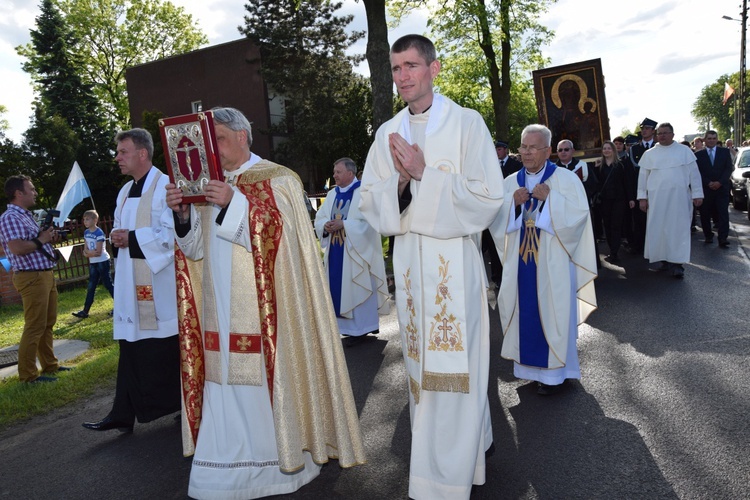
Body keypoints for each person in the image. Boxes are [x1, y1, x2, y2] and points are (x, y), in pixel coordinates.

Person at [165, 107, 365, 499]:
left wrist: (233, 204)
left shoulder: (279, 178)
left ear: (242, 136)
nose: (213, 149)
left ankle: (280, 464)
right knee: (221, 383)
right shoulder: (206, 185)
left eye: (219, 139)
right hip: (216, 312)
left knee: (259, 382)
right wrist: (185, 216)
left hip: (267, 314)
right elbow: (192, 252)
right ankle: (220, 470)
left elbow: (287, 244)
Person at [359, 34, 503, 499]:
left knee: (459, 373)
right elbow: (369, 202)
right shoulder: (387, 133)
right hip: (412, 273)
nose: (402, 76)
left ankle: (445, 478)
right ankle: (454, 456)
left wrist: (426, 174)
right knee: (423, 374)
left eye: (411, 66)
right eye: (395, 68)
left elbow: (488, 199)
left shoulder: (466, 123)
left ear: (434, 69)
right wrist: (399, 184)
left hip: (455, 271)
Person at [82, 128, 181, 432]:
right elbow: (122, 231)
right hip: (130, 280)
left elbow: (173, 235)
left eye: (122, 152)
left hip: (158, 284)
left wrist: (132, 238)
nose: (117, 158)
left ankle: (184, 403)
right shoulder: (124, 191)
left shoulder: (166, 186)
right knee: (129, 344)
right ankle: (122, 412)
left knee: (164, 349)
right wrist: (116, 236)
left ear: (142, 153)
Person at [490, 124, 597, 396]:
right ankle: (530, 371)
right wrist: (510, 204)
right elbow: (493, 221)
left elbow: (579, 217)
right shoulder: (509, 182)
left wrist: (551, 200)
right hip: (521, 263)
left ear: (548, 151)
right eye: (523, 147)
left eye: (533, 147)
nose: (526, 153)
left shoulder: (566, 180)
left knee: (554, 310)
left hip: (554, 262)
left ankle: (557, 374)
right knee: (524, 310)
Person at [0, 175, 71, 383]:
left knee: (47, 323)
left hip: (43, 274)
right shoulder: (10, 217)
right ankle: (28, 375)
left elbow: (35, 242)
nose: (35, 192)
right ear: (18, 193)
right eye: (31, 189)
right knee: (34, 326)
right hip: (31, 277)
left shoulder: (25, 215)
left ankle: (50, 365)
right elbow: (17, 248)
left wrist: (48, 238)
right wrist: (42, 239)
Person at [314, 157, 390, 340]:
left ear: (350, 173)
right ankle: (347, 329)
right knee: (339, 287)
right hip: (336, 251)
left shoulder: (365, 192)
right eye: (334, 173)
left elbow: (370, 223)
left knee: (357, 285)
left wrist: (345, 225)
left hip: (356, 253)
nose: (335, 176)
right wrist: (326, 225)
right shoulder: (332, 194)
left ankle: (364, 327)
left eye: (338, 172)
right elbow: (320, 217)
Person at [637, 123, 704, 279]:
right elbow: (642, 178)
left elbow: (694, 175)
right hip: (657, 199)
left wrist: (697, 194)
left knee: (678, 229)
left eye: (665, 133)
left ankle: (677, 263)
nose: (662, 136)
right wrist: (642, 198)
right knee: (659, 229)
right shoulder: (650, 154)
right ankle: (664, 259)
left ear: (673, 134)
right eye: (659, 133)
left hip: (679, 199)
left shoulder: (684, 151)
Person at [595, 141, 636, 263]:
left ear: (613, 150)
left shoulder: (621, 165)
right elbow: (596, 184)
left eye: (609, 148)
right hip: (605, 201)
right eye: (604, 148)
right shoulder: (599, 166)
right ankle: (612, 249)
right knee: (607, 225)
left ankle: (614, 253)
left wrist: (631, 199)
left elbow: (627, 182)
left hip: (619, 199)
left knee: (616, 226)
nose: (606, 150)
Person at [72, 209, 114, 318]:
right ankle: (85, 311)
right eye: (84, 220)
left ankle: (120, 306)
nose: (85, 221)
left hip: (102, 262)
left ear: (95, 220)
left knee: (108, 284)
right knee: (91, 286)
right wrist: (88, 253)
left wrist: (87, 253)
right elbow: (85, 249)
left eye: (87, 219)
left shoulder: (99, 233)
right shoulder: (86, 233)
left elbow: (98, 252)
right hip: (93, 263)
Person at [695, 130, 733, 247]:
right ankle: (708, 235)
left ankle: (722, 238)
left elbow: (728, 169)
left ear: (716, 140)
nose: (711, 140)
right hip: (706, 189)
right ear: (705, 140)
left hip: (721, 189)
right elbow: (698, 172)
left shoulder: (725, 152)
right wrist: (708, 183)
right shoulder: (699, 155)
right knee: (705, 214)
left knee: (722, 214)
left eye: (713, 138)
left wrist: (720, 182)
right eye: (709, 138)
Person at [628, 117, 658, 254]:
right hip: (640, 189)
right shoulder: (635, 149)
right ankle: (639, 246)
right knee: (639, 221)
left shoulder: (659, 148)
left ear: (653, 131)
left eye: (647, 128)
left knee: (656, 220)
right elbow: (632, 173)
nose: (644, 131)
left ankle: (656, 247)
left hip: (657, 189)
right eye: (643, 128)